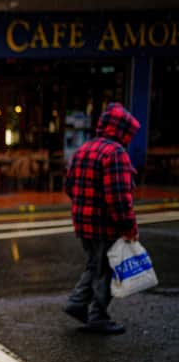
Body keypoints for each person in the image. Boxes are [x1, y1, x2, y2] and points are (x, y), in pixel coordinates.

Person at [63, 102, 140, 335]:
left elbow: (69, 186)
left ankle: (78, 303)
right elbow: (118, 198)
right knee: (105, 269)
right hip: (104, 224)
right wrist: (128, 225)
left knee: (95, 265)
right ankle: (97, 315)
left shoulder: (83, 149)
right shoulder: (115, 154)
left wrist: (84, 204)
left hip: (83, 221)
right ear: (121, 130)